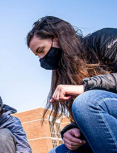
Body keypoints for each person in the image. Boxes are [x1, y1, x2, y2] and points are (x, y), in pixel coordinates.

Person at [26, 16, 117, 153]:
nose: (41, 59)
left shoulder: (104, 39)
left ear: (56, 38)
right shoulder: (66, 72)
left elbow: (95, 103)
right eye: (37, 55)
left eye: (41, 50)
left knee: (86, 102)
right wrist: (72, 130)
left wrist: (85, 87)